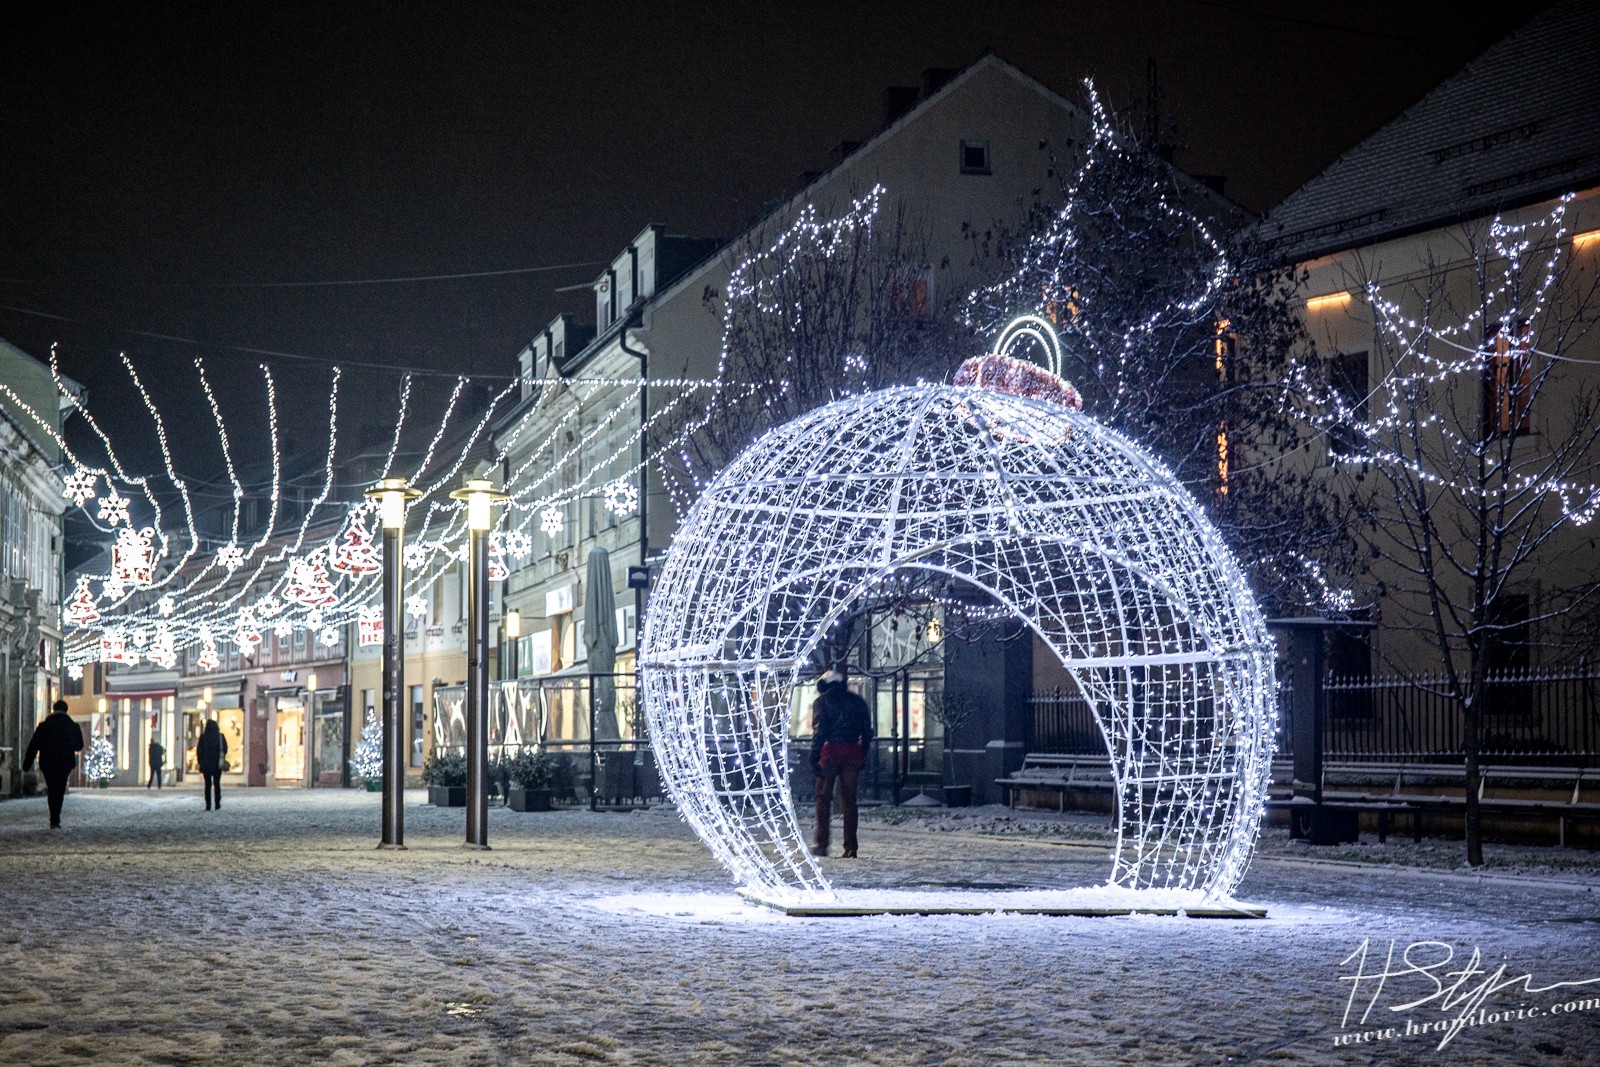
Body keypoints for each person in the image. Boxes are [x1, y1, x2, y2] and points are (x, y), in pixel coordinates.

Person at [810, 667, 873, 858]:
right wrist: (863, 753)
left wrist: (814, 757)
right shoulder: (858, 701)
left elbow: (820, 732)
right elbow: (867, 732)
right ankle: (851, 847)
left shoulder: (822, 702)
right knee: (849, 801)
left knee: (823, 800)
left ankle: (822, 845)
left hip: (830, 752)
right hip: (853, 752)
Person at [23, 700, 85, 829]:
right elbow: (79, 745)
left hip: (48, 762)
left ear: (53, 709)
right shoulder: (73, 726)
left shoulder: (44, 726)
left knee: (51, 789)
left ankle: (53, 817)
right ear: (66, 710)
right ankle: (56, 818)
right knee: (60, 789)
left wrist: (27, 764)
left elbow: (33, 745)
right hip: (64, 762)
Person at [196, 719, 227, 811]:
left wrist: (200, 762)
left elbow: (199, 751)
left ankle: (208, 804)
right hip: (217, 764)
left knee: (207, 785)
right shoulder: (220, 736)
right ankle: (217, 804)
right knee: (217, 784)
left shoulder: (203, 737)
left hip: (206, 765)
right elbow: (225, 748)